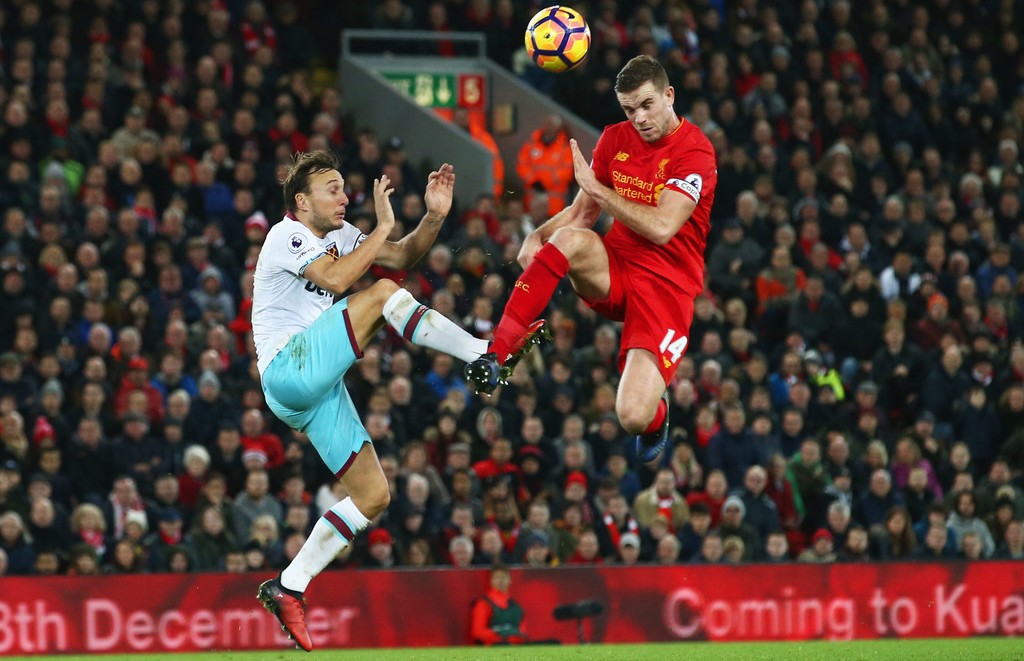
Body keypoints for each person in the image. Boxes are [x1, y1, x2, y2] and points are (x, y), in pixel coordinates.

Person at [253, 150, 489, 651]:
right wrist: (381, 226)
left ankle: (289, 585)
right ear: (302, 201)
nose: (344, 197)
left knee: (373, 496)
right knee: (382, 294)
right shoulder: (285, 235)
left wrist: (434, 216)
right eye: (332, 189)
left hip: (311, 392)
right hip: (289, 369)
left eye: (343, 187)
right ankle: (481, 354)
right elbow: (338, 280)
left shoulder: (339, 235)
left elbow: (402, 256)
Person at [466, 55, 718, 466]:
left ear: (669, 96)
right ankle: (498, 351)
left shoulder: (696, 152)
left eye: (647, 104)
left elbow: (661, 227)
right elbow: (582, 214)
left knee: (632, 416)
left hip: (667, 289)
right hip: (615, 268)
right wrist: (537, 234)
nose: (639, 118)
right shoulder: (615, 138)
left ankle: (657, 414)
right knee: (568, 238)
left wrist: (600, 191)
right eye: (629, 109)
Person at [470, 565, 528, 645]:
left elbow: (522, 633)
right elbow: (477, 632)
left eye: (504, 577)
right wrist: (501, 638)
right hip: (492, 648)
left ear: (510, 580)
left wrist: (514, 638)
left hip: (515, 647)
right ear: (491, 581)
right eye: (497, 577)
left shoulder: (516, 607)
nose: (501, 581)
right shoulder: (483, 604)